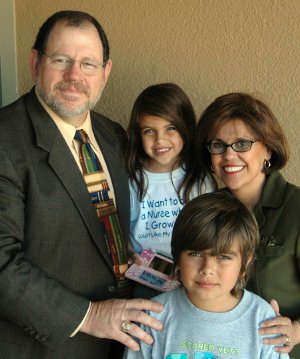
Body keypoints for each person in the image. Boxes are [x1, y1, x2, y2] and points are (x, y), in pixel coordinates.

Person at [0, 10, 163, 359]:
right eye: (61, 60)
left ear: (105, 73)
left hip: (120, 345)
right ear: (34, 63)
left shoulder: (114, 135)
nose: (74, 76)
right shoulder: (5, 139)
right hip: (42, 348)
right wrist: (90, 316)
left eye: (88, 64)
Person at [195, 92, 300, 358]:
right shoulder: (206, 209)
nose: (228, 155)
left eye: (241, 144)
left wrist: (296, 331)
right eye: (218, 145)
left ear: (268, 148)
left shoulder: (297, 208)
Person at [123, 192, 290, 358]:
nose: (207, 269)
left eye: (223, 257)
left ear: (244, 265)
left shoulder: (263, 319)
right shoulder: (152, 317)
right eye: (195, 254)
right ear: (178, 258)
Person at [125, 83, 214, 298]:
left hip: (191, 279)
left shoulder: (199, 179)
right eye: (149, 131)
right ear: (138, 134)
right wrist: (128, 254)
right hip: (144, 280)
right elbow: (122, 228)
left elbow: (210, 233)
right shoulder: (132, 179)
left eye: (170, 128)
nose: (160, 140)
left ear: (186, 128)